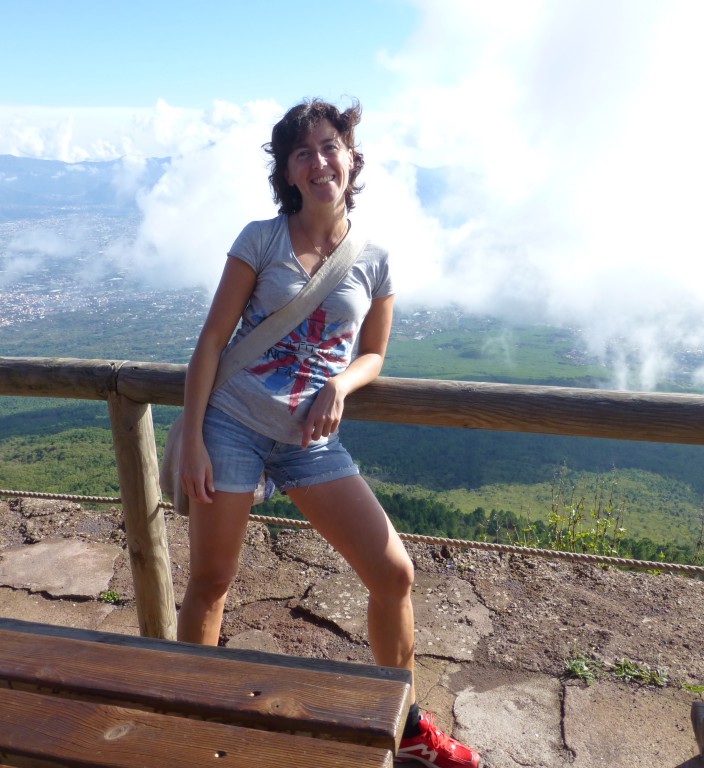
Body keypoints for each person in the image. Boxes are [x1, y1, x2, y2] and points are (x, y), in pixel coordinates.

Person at [176, 98, 480, 768]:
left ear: (352, 157)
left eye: (330, 146)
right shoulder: (260, 239)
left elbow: (373, 353)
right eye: (303, 152)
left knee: (392, 574)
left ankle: (401, 726)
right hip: (232, 424)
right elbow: (210, 343)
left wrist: (341, 385)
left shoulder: (373, 260)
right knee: (212, 580)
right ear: (287, 172)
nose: (320, 162)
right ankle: (189, 725)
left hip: (310, 441)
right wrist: (191, 438)